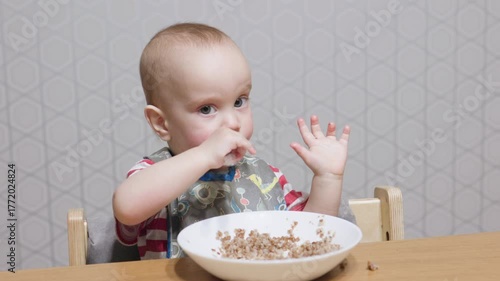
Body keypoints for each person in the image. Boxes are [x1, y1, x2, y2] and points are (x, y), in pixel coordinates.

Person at [112, 22, 354, 260]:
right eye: (206, 109)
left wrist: (327, 178)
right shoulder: (154, 175)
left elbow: (309, 237)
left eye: (239, 101)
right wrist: (203, 156)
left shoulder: (265, 177)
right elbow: (127, 208)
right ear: (162, 123)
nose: (232, 122)